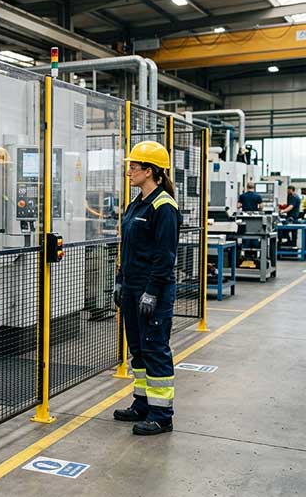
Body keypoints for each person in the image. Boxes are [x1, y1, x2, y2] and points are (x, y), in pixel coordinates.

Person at [112, 140, 182, 436]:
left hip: (153, 291)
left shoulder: (164, 207)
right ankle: (142, 403)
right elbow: (127, 246)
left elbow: (165, 256)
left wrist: (152, 291)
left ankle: (162, 415)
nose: (129, 171)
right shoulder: (137, 203)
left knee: (155, 349)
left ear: (150, 171)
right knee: (138, 350)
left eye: (134, 167)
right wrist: (119, 279)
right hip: (131, 287)